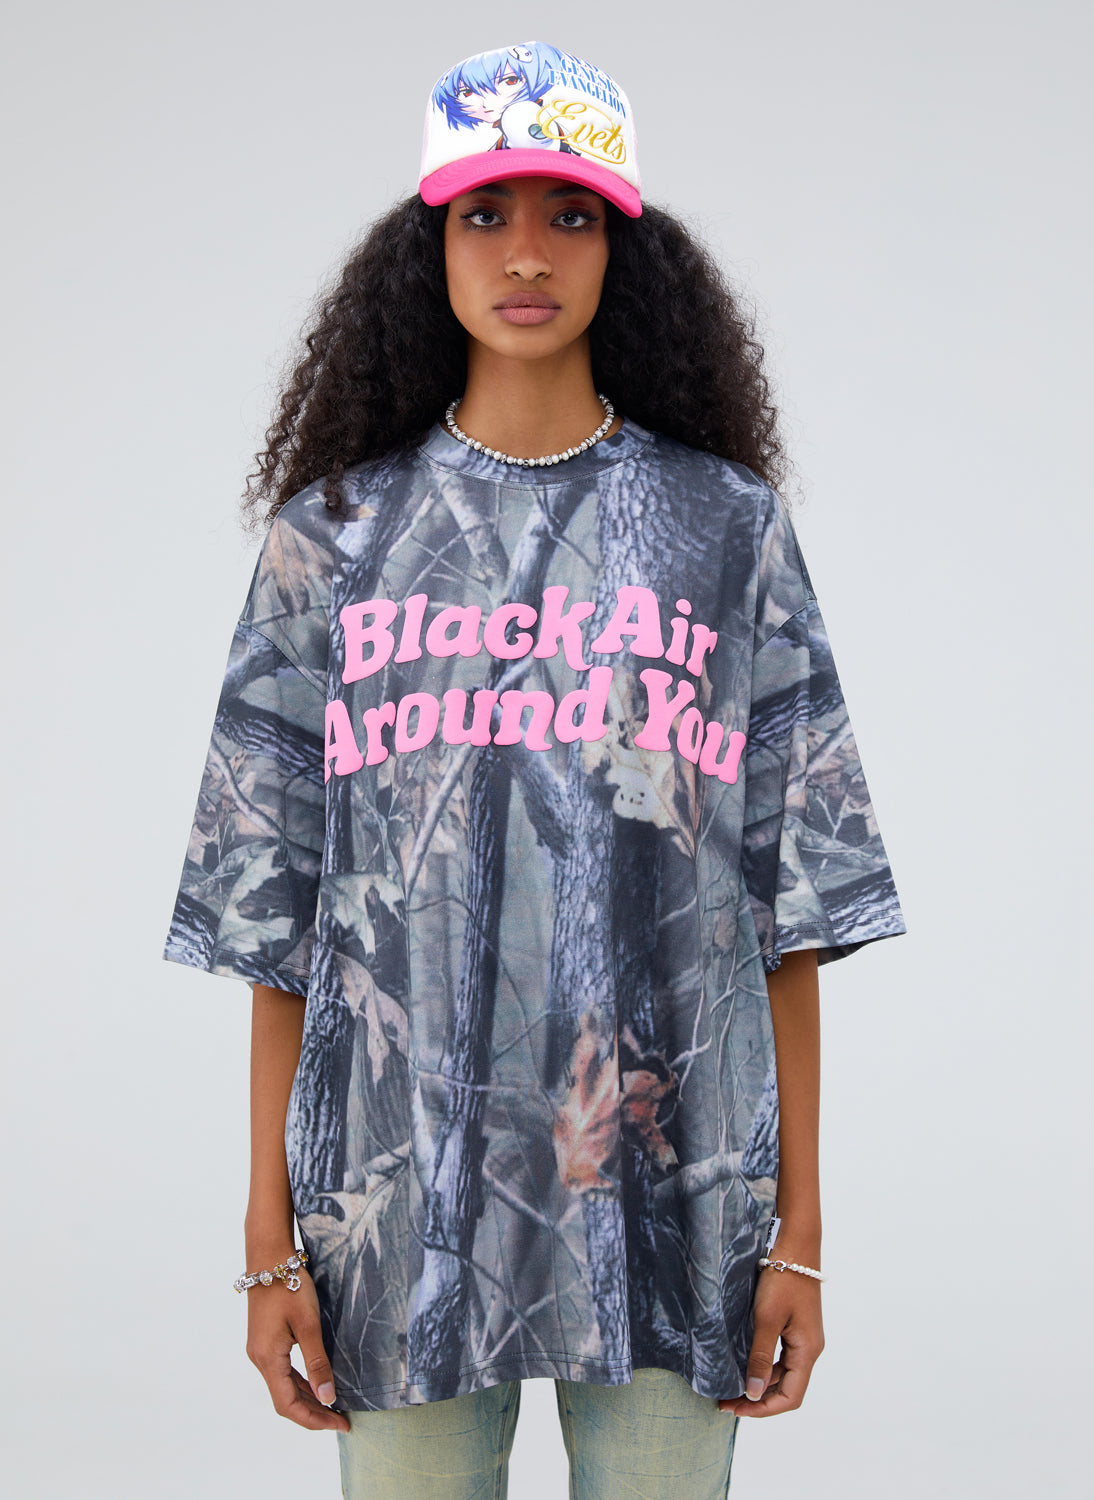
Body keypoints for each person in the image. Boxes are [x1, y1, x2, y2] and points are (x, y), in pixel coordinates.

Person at [164, 39, 906, 1500]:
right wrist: (269, 1242)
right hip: (399, 1207)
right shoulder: (333, 539)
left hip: (675, 1202)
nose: (525, 254)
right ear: (426, 246)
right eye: (484, 214)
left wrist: (800, 1232)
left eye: (570, 216)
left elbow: (789, 914)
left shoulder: (724, 530)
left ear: (626, 252)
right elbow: (278, 922)